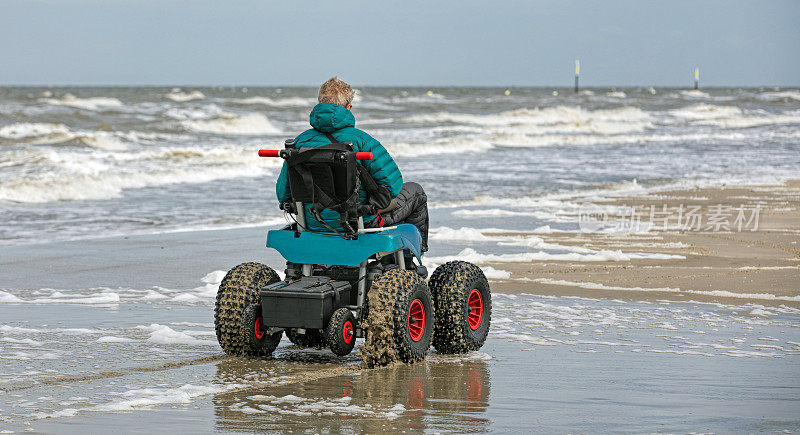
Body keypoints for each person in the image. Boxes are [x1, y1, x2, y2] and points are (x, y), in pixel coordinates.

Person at [276, 77, 429, 251]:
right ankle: (415, 258)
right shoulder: (362, 140)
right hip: (358, 221)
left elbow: (283, 194)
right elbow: (392, 186)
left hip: (311, 221)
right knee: (416, 192)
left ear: (320, 103)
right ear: (348, 106)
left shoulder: (299, 142)